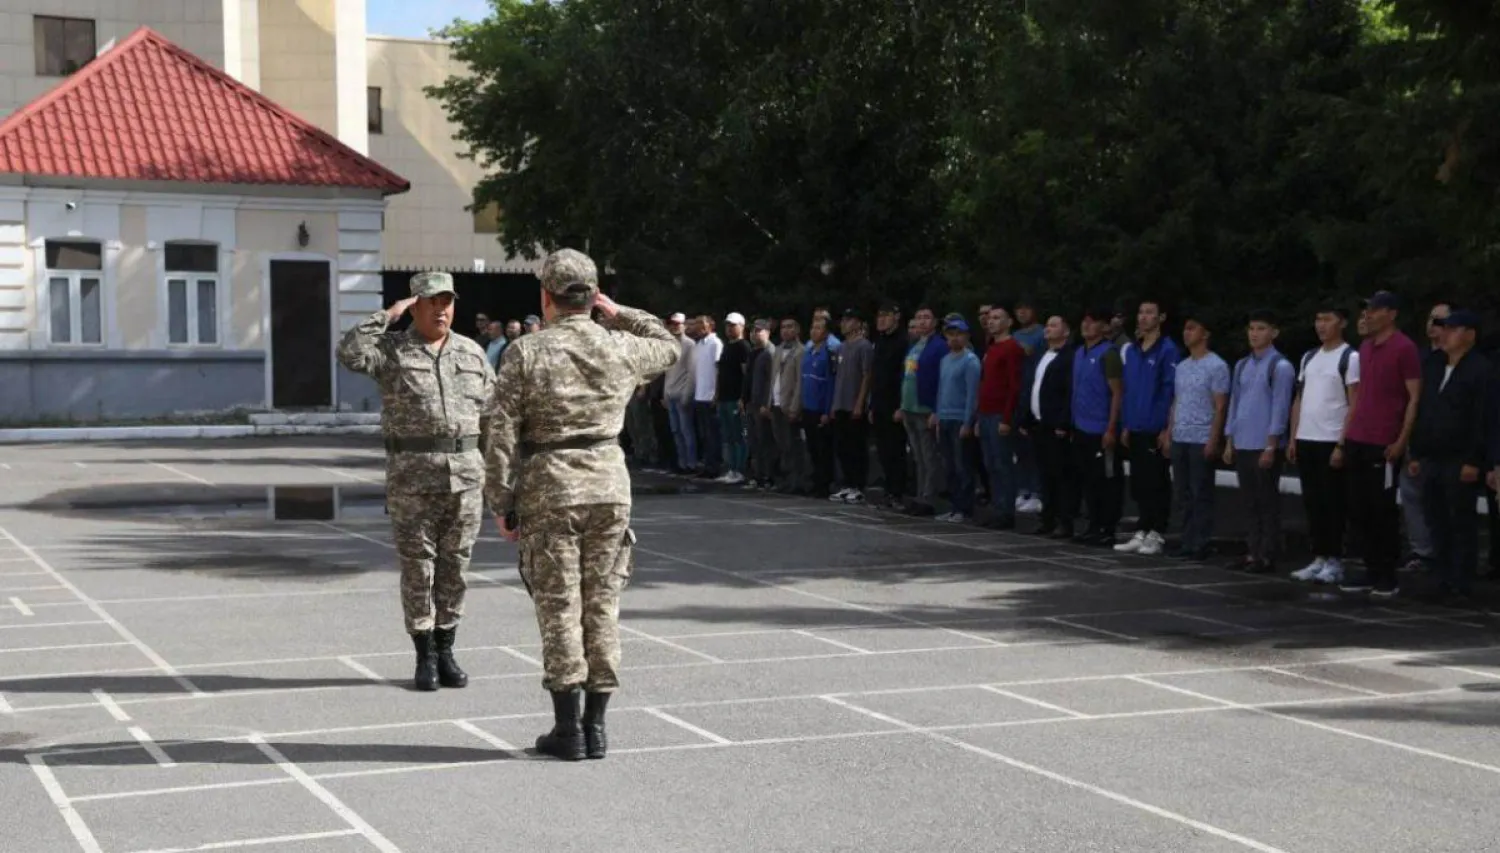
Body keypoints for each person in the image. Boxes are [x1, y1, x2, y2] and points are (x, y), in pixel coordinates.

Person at [483, 249, 681, 761]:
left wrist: (501, 500)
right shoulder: (620, 347)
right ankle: (597, 727)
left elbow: (500, 432)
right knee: (602, 604)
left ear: (545, 297)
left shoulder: (526, 353)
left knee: (559, 607)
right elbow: (668, 343)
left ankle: (567, 728)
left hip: (551, 486)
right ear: (591, 297)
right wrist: (619, 313)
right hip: (609, 485)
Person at [335, 271, 495, 692]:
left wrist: (499, 476)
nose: (442, 309)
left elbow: (494, 414)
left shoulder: (472, 352)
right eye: (432, 302)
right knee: (418, 568)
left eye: (447, 301)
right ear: (415, 306)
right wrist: (386, 316)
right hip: (412, 479)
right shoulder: (391, 351)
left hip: (465, 479)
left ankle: (447, 648)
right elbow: (349, 353)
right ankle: (423, 653)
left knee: (455, 566)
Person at [1340, 291, 1422, 598]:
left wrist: (1402, 439)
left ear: (1391, 313)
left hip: (1384, 441)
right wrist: (1346, 435)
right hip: (1359, 436)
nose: (1368, 316)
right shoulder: (1364, 347)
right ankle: (1370, 569)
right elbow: (1359, 395)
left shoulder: (1404, 348)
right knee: (1359, 508)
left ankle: (1387, 574)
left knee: (1381, 509)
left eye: (1374, 310)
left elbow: (1413, 397)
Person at [1408, 309, 1489, 601]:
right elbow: (1423, 410)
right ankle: (1440, 576)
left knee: (1460, 520)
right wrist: (1416, 452)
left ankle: (1460, 580)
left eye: (1452, 329)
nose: (1445, 334)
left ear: (1469, 334)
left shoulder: (1481, 370)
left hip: (1459, 457)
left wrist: (1474, 460)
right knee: (1435, 517)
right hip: (1431, 455)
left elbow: (1482, 418)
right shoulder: (1434, 365)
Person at [1288, 306, 1360, 584]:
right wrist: (1294, 436)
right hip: (1308, 437)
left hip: (1331, 439)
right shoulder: (1309, 357)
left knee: (1334, 503)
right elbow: (1299, 399)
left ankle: (1335, 559)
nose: (1321, 325)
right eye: (1317, 319)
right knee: (1313, 502)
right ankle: (1318, 555)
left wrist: (1342, 443)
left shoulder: (1349, 357)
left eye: (1327, 319)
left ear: (1341, 323)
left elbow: (1354, 402)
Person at [1222, 309, 1297, 573]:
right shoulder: (1242, 364)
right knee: (1249, 501)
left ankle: (1268, 553)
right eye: (1252, 328)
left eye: (1261, 328)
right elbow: (1235, 403)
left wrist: (1271, 444)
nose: (1255, 334)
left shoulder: (1280, 367)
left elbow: (1279, 407)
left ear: (1274, 332)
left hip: (1264, 444)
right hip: (1243, 441)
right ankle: (1252, 550)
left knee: (1267, 501)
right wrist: (1229, 440)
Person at [1116, 298, 1180, 555]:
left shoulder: (1167, 350)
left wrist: (1167, 428)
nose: (1143, 317)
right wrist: (1126, 424)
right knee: (1140, 482)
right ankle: (1142, 528)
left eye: (1149, 313)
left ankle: (1157, 532)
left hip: (1156, 426)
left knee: (1157, 481)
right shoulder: (1132, 350)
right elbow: (1129, 390)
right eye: (1141, 312)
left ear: (1161, 318)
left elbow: (1172, 390)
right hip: (1136, 425)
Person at [1164, 309, 1229, 560]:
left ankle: (1200, 542)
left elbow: (1220, 405)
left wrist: (1214, 438)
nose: (1187, 332)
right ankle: (1186, 539)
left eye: (1193, 328)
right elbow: (1176, 400)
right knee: (1183, 492)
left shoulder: (1217, 366)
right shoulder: (1182, 366)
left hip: (1201, 435)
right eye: (1185, 328)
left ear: (1205, 334)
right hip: (1181, 433)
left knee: (1200, 491)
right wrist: (1169, 431)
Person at [1070, 306, 1125, 546]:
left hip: (1100, 427)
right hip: (1080, 426)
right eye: (1084, 321)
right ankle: (1093, 524)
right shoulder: (1079, 353)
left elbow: (1117, 393)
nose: (1086, 326)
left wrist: (1111, 428)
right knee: (1088, 479)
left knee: (1107, 479)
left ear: (1104, 327)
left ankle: (1107, 526)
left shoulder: (1109, 354)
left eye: (1092, 322)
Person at [1019, 315, 1076, 538]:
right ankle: (1048, 518)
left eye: (1054, 326)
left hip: (1056, 426)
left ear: (1066, 331)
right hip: (1039, 424)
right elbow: (1034, 387)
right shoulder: (1043, 355)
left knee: (1061, 476)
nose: (1048, 329)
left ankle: (1065, 520)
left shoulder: (1069, 357)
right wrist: (1026, 417)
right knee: (1045, 475)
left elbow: (1068, 391)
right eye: (1048, 326)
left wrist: (1064, 421)